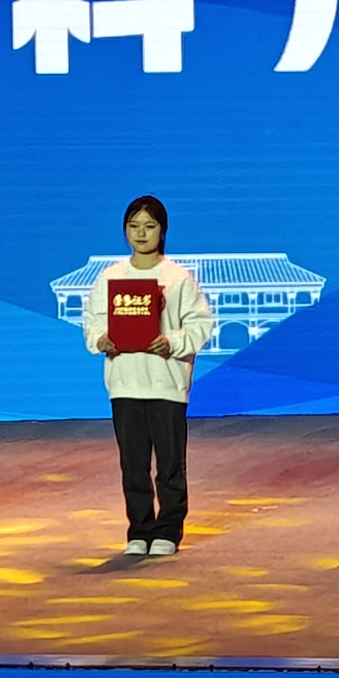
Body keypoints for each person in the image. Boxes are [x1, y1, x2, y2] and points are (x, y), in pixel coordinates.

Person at [83, 193, 216, 557]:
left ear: (162, 231)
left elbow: (201, 324)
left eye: (149, 226)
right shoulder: (110, 277)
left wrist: (172, 341)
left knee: (169, 464)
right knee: (133, 464)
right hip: (125, 383)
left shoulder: (177, 278)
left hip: (166, 383)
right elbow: (93, 321)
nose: (141, 233)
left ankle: (168, 530)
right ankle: (139, 530)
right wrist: (101, 339)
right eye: (134, 226)